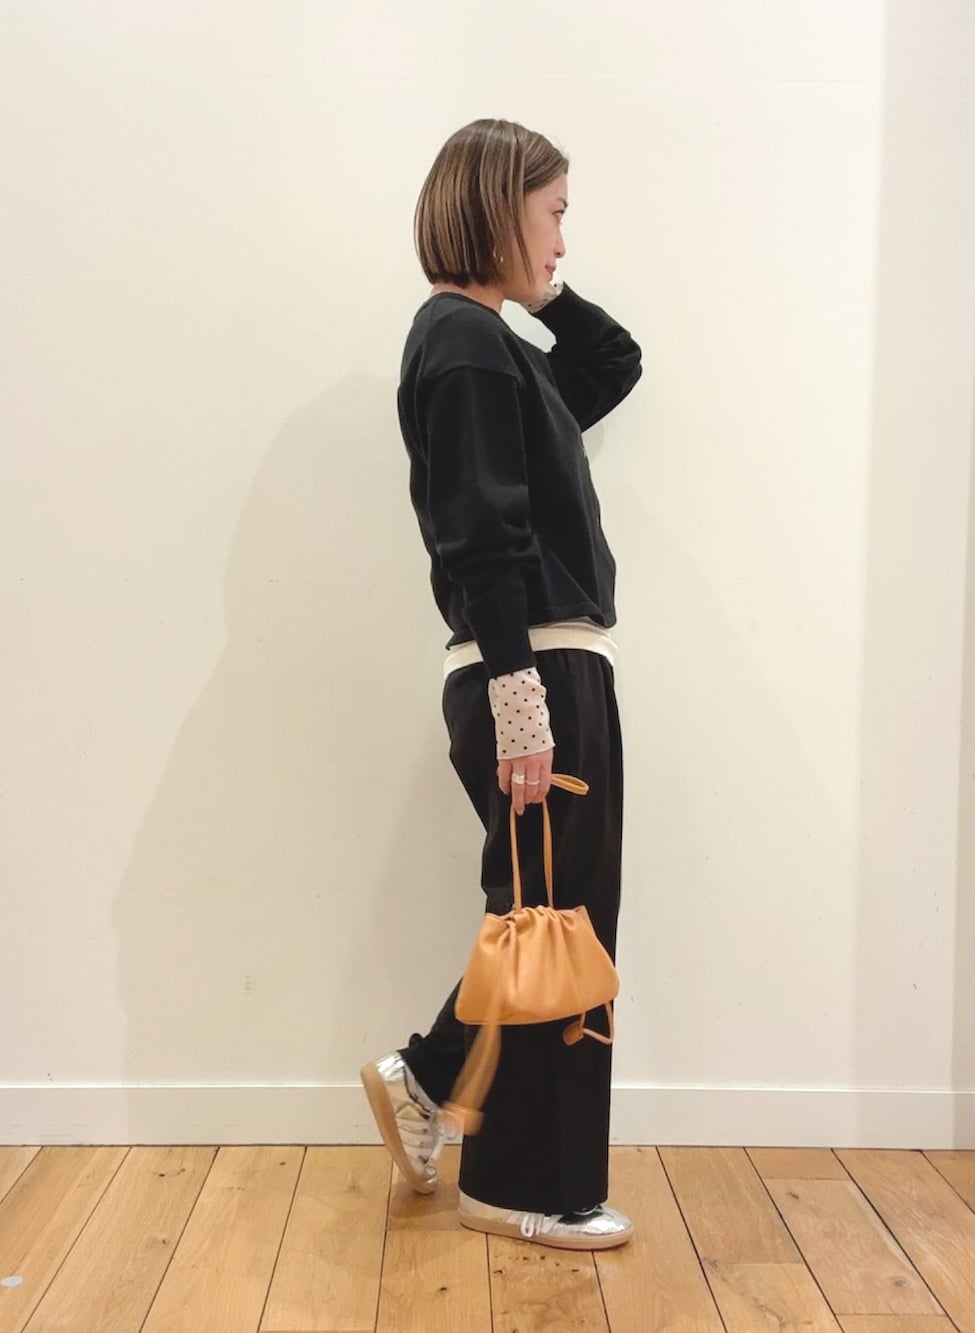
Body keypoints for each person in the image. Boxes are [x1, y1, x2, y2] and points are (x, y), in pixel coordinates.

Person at [360, 117, 642, 1250]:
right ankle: (521, 1183)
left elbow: (612, 362)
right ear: (497, 207)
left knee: (546, 920)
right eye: (553, 214)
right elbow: (480, 535)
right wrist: (523, 706)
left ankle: (436, 1081)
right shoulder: (465, 344)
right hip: (531, 668)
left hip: (549, 664)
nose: (563, 241)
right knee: (553, 925)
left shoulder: (494, 346)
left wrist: (536, 289)